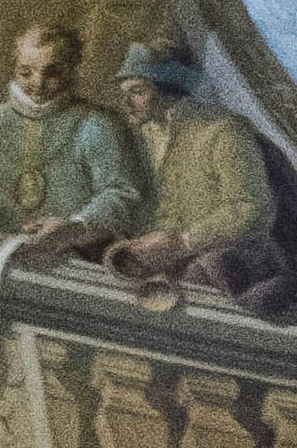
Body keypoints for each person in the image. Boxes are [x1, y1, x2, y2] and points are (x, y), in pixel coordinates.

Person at [97, 47, 296, 313]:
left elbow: (249, 207)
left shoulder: (222, 131)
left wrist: (183, 242)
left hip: (243, 264)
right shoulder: (144, 141)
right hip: (173, 272)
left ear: (167, 90)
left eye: (137, 91)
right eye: (124, 93)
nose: (126, 103)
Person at [0, 23, 144, 243]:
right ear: (14, 69)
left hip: (77, 253)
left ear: (71, 70)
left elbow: (122, 193)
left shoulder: (97, 125)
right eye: (26, 72)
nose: (38, 83)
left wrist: (76, 226)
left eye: (53, 72)